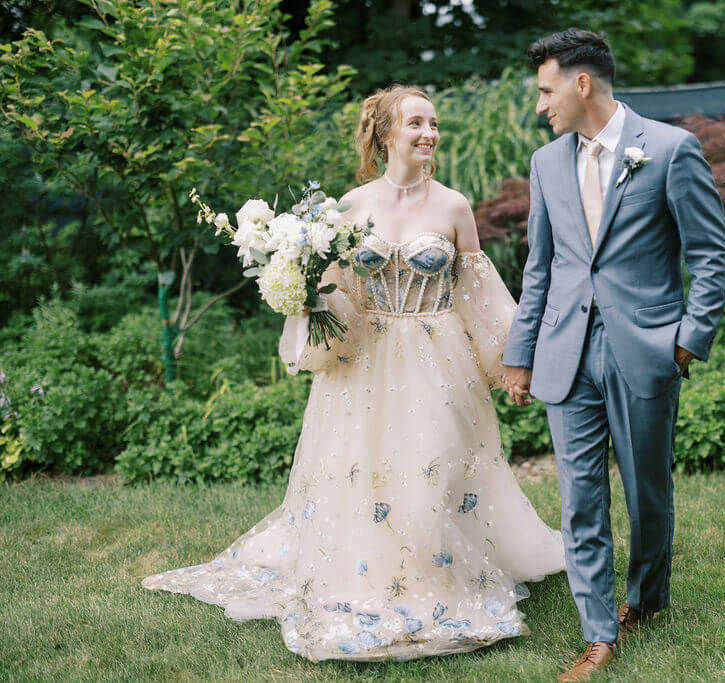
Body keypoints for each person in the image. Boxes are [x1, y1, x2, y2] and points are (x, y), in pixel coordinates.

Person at [142, 84, 565, 661]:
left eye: (434, 123)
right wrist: (302, 296)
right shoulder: (350, 206)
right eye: (415, 123)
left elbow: (481, 294)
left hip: (439, 361)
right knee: (366, 472)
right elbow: (335, 294)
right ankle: (369, 572)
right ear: (386, 133)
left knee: (434, 464)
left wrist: (514, 362)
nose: (429, 134)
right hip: (364, 364)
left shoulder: (453, 206)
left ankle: (436, 574)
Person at [501, 29, 725, 681]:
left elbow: (711, 254)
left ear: (581, 84)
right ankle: (599, 632)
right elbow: (539, 268)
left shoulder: (668, 150)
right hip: (565, 353)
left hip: (646, 347)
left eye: (546, 91)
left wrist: (687, 341)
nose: (540, 105)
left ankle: (648, 595)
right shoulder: (547, 163)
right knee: (579, 498)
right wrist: (520, 353)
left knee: (647, 490)